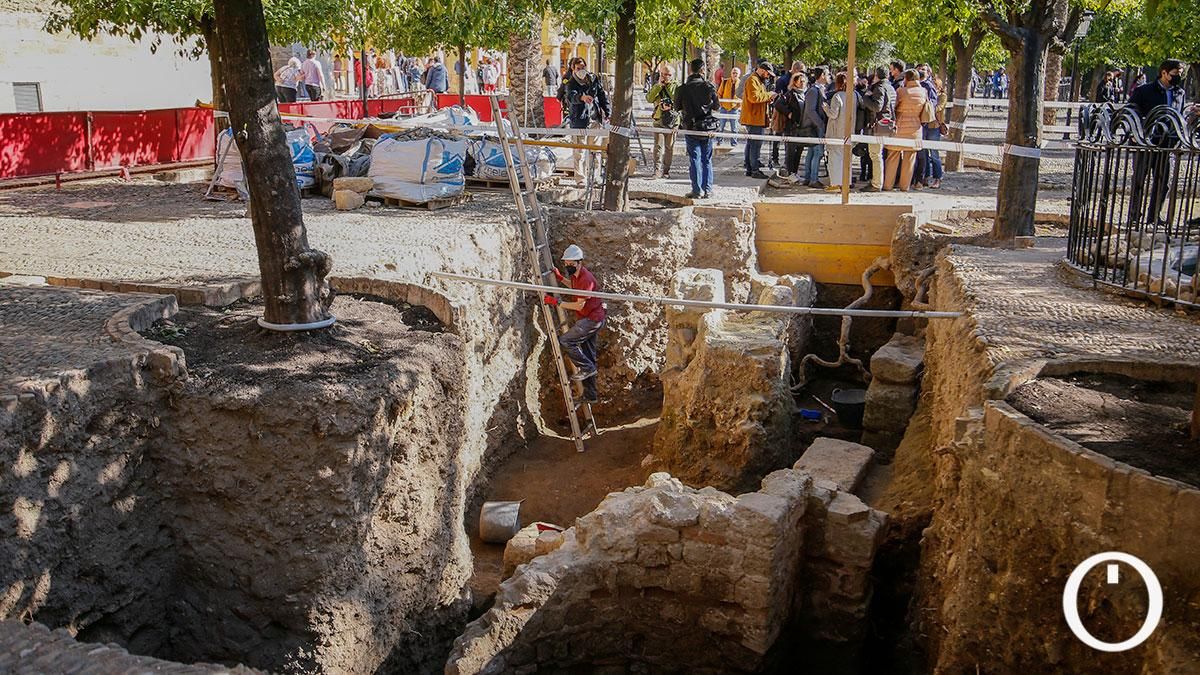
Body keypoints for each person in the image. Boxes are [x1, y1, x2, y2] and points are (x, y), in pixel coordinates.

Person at [1128, 59, 1190, 223]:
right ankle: (1134, 216)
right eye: (1175, 74)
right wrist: (1135, 133)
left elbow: (1179, 116)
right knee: (1140, 179)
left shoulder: (1179, 93)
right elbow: (1131, 112)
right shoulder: (1144, 91)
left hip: (1167, 143)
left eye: (1180, 74)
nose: (1178, 77)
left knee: (1163, 182)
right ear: (1164, 73)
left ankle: (1153, 216)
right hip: (1146, 142)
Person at [543, 245, 606, 402]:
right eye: (566, 264)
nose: (568, 267)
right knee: (588, 356)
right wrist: (560, 278)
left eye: (571, 264)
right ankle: (590, 395)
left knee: (566, 340)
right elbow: (574, 288)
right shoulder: (576, 276)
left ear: (580, 262)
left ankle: (587, 368)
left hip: (592, 320)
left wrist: (556, 302)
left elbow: (579, 305)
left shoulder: (587, 279)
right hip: (588, 318)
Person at [675, 57, 721, 198]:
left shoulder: (682, 89)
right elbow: (717, 106)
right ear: (702, 70)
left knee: (694, 158)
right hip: (707, 126)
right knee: (706, 159)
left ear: (690, 70)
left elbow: (677, 107)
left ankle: (697, 190)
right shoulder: (709, 87)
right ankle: (708, 189)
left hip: (691, 127)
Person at [563, 57, 611, 181]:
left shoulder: (593, 79)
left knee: (595, 150)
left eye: (583, 67)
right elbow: (570, 97)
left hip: (594, 120)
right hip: (579, 121)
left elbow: (602, 96)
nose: (581, 70)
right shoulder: (570, 83)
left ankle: (595, 176)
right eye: (578, 68)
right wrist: (581, 98)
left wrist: (607, 112)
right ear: (573, 69)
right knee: (579, 151)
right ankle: (580, 178)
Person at [884, 69, 928, 192]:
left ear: (906, 79)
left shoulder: (901, 91)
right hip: (915, 128)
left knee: (892, 157)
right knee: (910, 159)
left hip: (899, 127)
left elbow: (894, 107)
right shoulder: (923, 92)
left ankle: (888, 185)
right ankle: (905, 187)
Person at [740, 59, 777, 179]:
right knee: (755, 144)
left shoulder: (757, 80)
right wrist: (769, 95)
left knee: (752, 144)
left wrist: (767, 97)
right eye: (767, 74)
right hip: (754, 118)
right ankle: (754, 169)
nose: (768, 77)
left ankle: (750, 169)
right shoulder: (752, 80)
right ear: (761, 70)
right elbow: (754, 97)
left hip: (756, 118)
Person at [859, 67, 894, 192]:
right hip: (886, 124)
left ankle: (876, 183)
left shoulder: (879, 88)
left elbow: (877, 107)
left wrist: (866, 97)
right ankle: (878, 181)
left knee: (875, 155)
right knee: (878, 154)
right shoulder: (890, 87)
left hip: (877, 126)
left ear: (876, 76)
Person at [648, 65, 680, 179]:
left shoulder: (676, 86)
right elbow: (649, 98)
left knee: (669, 147)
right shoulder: (656, 86)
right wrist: (659, 86)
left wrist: (668, 86)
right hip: (659, 119)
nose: (666, 77)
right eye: (663, 74)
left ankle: (666, 170)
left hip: (672, 121)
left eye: (668, 75)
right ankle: (657, 170)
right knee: (658, 147)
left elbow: (676, 99)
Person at [800, 66, 829, 187]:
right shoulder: (814, 90)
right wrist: (821, 124)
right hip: (815, 127)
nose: (829, 77)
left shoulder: (819, 89)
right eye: (827, 74)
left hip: (816, 126)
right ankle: (813, 179)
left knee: (812, 152)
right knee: (817, 152)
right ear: (822, 75)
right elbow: (810, 111)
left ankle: (808, 177)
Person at [823, 72, 851, 192]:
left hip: (836, 132)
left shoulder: (837, 96)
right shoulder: (853, 95)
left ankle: (835, 184)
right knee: (847, 159)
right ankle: (846, 183)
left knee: (834, 159)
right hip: (849, 130)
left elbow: (833, 114)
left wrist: (825, 107)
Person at [778, 72, 808, 181]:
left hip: (801, 127)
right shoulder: (790, 94)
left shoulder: (804, 94)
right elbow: (778, 104)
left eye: (804, 81)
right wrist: (788, 113)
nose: (803, 83)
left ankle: (795, 173)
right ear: (795, 82)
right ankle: (790, 173)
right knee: (790, 152)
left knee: (799, 151)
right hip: (791, 127)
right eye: (801, 81)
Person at [716, 67, 741, 146]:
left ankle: (734, 143)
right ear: (731, 74)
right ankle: (719, 141)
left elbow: (742, 96)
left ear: (739, 75)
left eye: (736, 73)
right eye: (733, 73)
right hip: (724, 107)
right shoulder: (725, 81)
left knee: (734, 127)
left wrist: (738, 106)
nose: (734, 74)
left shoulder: (741, 84)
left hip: (734, 108)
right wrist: (721, 103)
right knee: (721, 126)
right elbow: (719, 93)